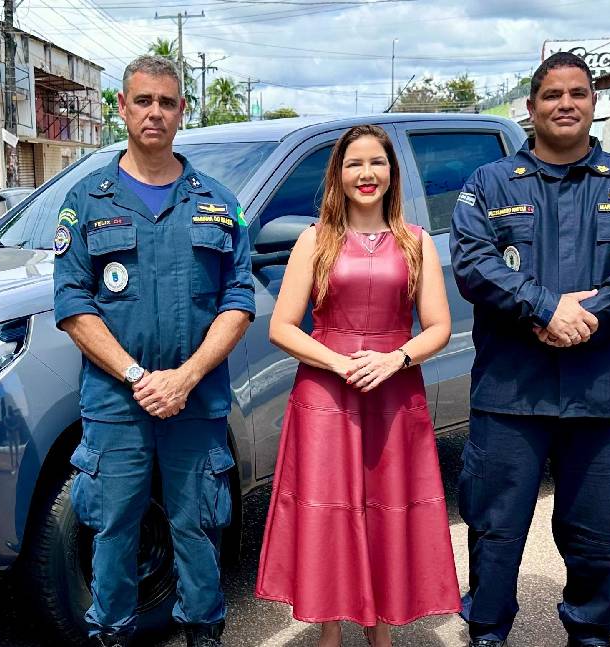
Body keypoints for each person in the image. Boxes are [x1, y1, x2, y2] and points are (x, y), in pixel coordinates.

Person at [449, 52, 610, 647]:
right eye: (552, 95)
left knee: (596, 534)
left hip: (599, 399)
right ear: (531, 108)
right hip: (509, 396)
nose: (566, 103)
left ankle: (590, 635)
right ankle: (489, 633)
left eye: (578, 93)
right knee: (495, 532)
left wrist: (583, 312)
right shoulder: (489, 185)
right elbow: (473, 264)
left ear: (594, 103)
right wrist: (544, 307)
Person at [52, 55, 255, 647]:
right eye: (143, 101)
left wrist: (185, 378)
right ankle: (110, 633)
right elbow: (72, 303)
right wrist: (141, 376)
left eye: (167, 102)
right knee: (113, 528)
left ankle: (202, 634)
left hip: (195, 402)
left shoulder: (217, 202)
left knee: (198, 527)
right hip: (117, 403)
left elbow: (237, 301)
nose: (155, 113)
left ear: (181, 112)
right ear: (122, 106)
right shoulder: (87, 200)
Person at [255, 125, 460, 647]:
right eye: (354, 164)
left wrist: (396, 359)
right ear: (338, 175)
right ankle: (330, 628)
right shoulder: (314, 240)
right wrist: (340, 364)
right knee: (330, 510)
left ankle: (382, 629)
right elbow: (281, 327)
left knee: (387, 507)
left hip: (395, 393)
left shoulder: (417, 243)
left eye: (377, 163)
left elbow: (439, 326)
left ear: (391, 172)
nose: (366, 174)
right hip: (326, 396)